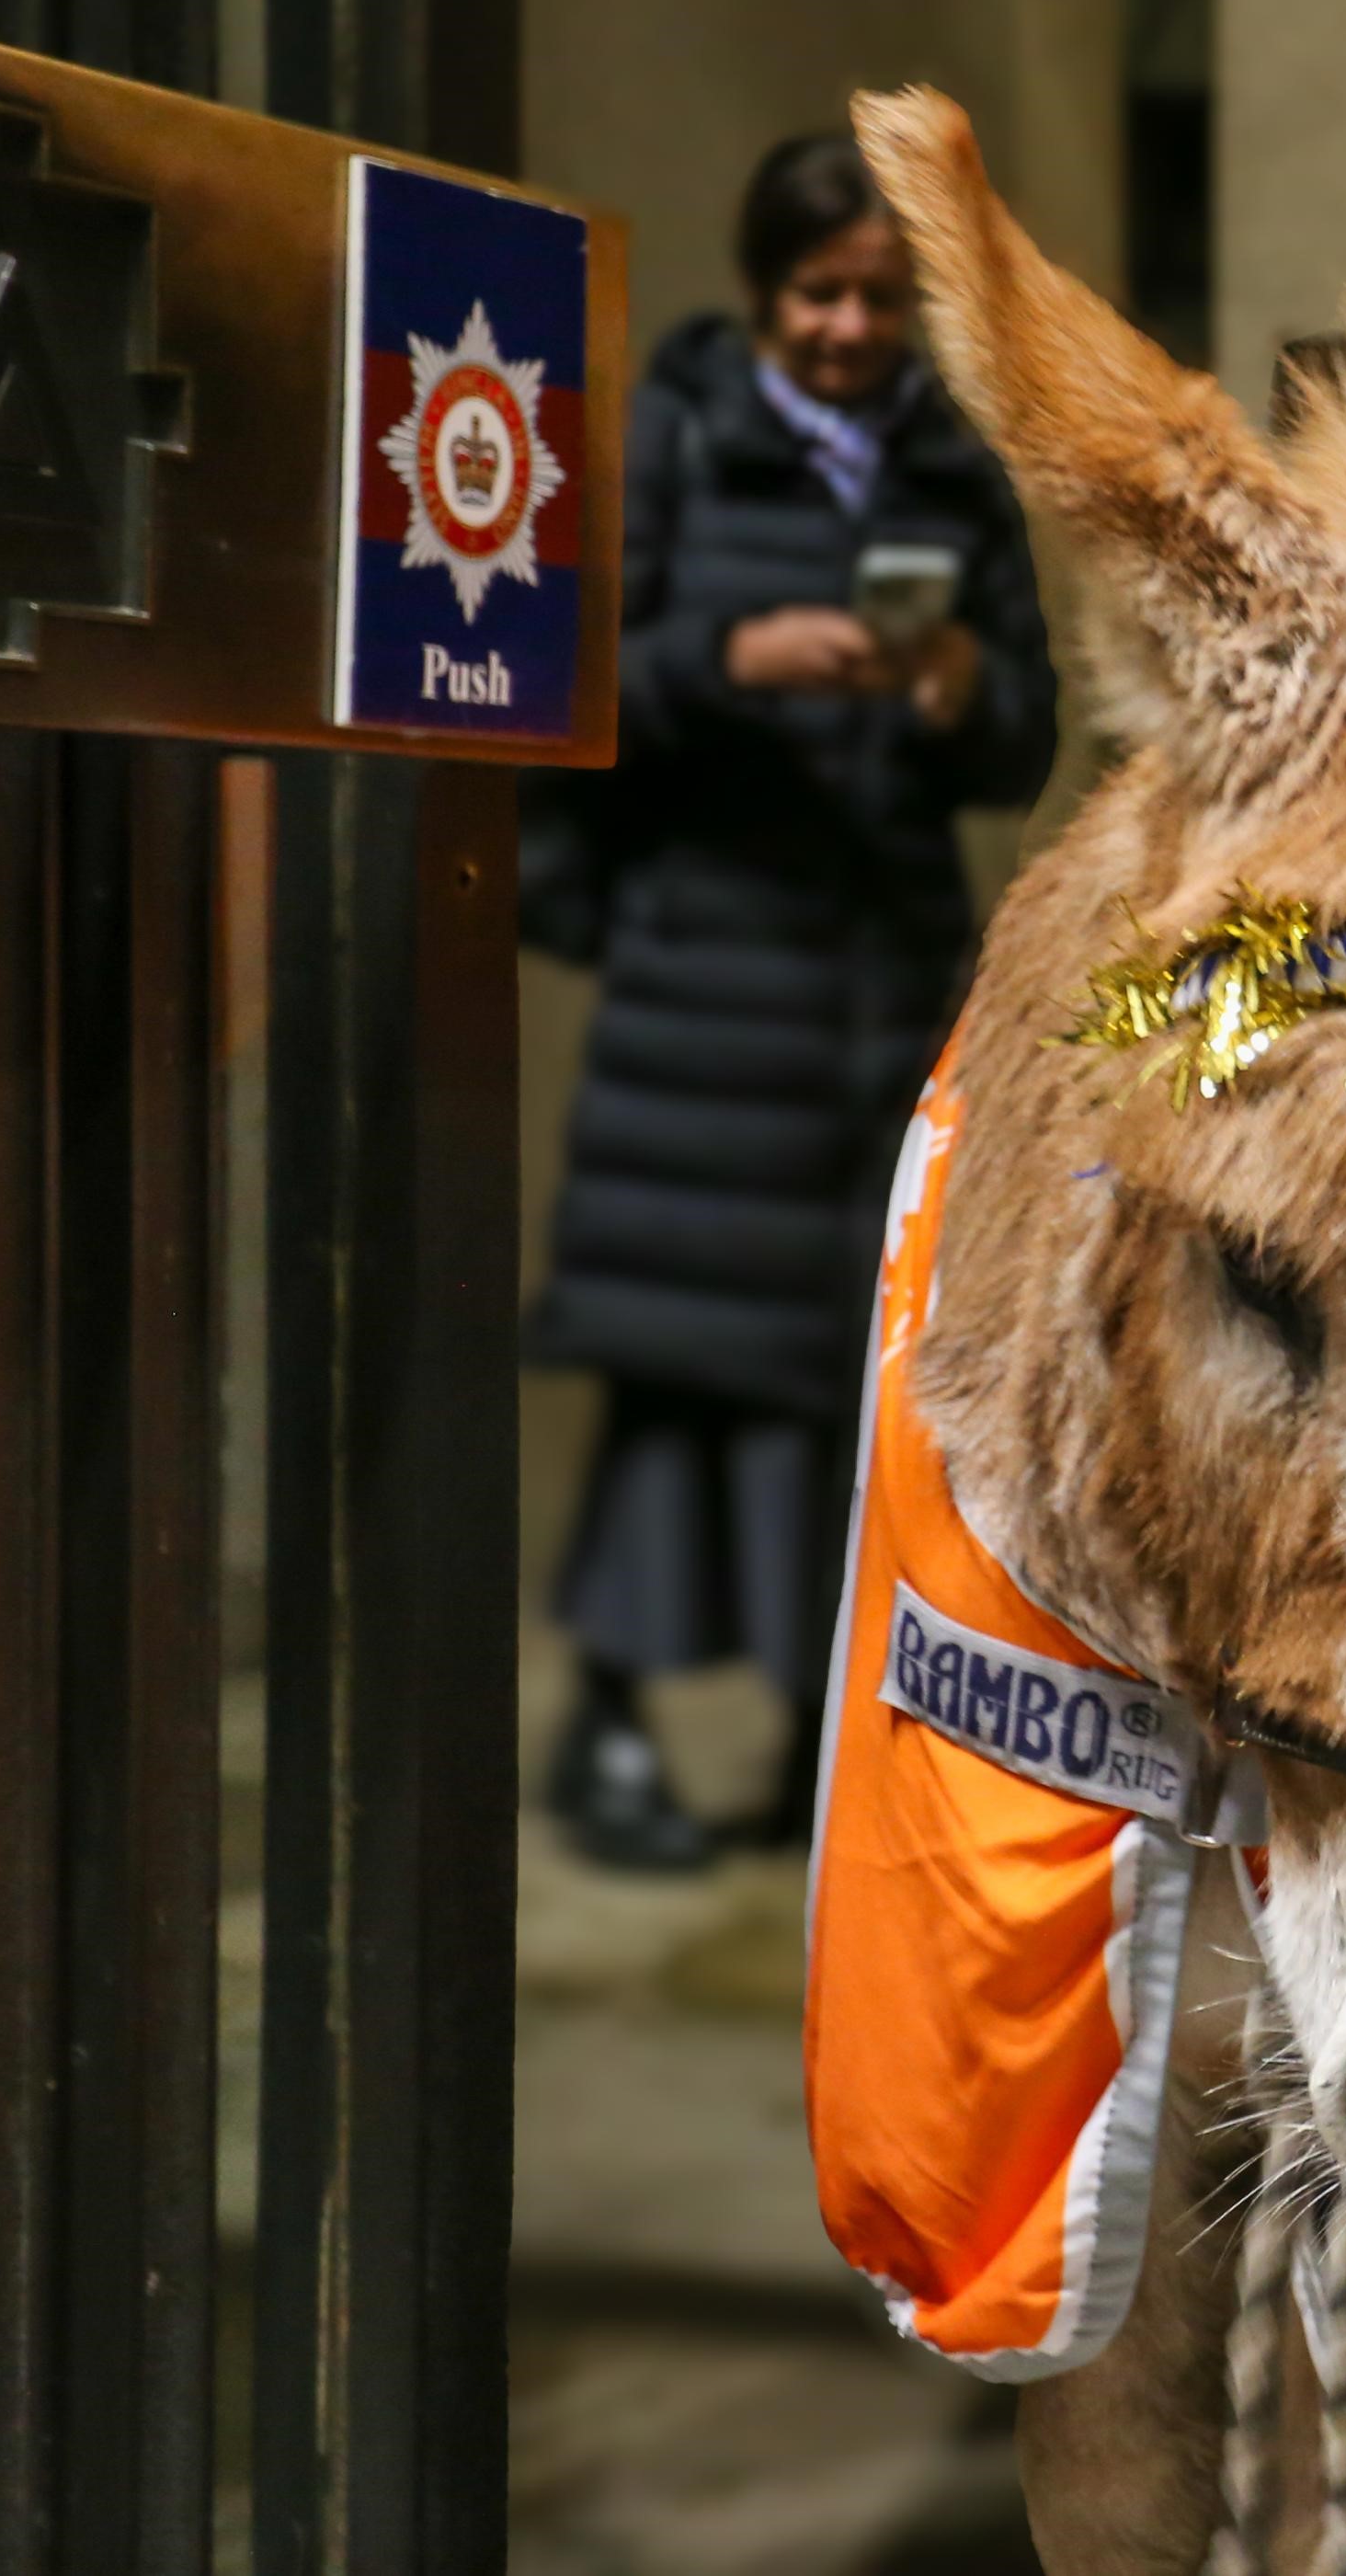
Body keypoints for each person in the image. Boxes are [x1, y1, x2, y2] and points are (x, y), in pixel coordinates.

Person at [526, 131, 1060, 1869]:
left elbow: (1024, 740)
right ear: (763, 291)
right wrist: (735, 660)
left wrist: (961, 684)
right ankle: (605, 1720)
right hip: (712, 966)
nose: (848, 328)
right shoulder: (674, 432)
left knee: (854, 1374)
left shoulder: (947, 464)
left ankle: (804, 1738)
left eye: (883, 298)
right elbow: (574, 670)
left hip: (880, 976)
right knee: (687, 1368)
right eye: (820, 294)